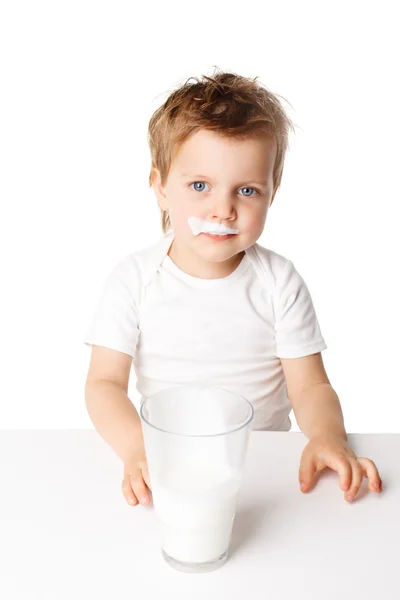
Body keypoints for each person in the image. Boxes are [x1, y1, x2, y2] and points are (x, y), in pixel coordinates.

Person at [84, 68, 382, 509]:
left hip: (260, 467)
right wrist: (136, 448)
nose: (223, 210)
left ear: (272, 193)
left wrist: (326, 437)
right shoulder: (134, 279)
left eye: (247, 190)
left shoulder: (279, 282)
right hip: (167, 468)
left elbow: (310, 387)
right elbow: (104, 384)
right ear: (160, 187)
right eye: (199, 186)